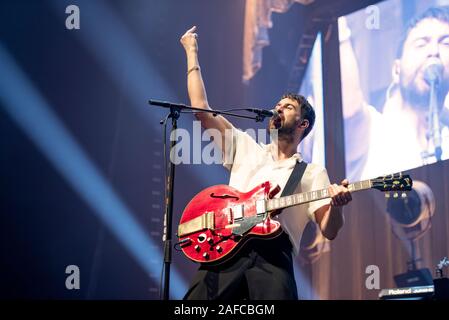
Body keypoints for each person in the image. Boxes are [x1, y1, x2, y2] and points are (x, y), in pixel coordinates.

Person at [179, 26, 352, 300]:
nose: (278, 109)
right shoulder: (245, 146)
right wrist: (191, 52)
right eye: (278, 105)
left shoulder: (313, 172)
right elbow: (201, 108)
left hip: (273, 260)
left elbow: (329, 230)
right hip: (225, 249)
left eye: (288, 107)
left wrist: (338, 206)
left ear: (303, 124)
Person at [341, 6, 449, 181]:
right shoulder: (373, 130)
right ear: (397, 70)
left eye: (445, 43)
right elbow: (350, 109)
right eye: (421, 43)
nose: (433, 52)